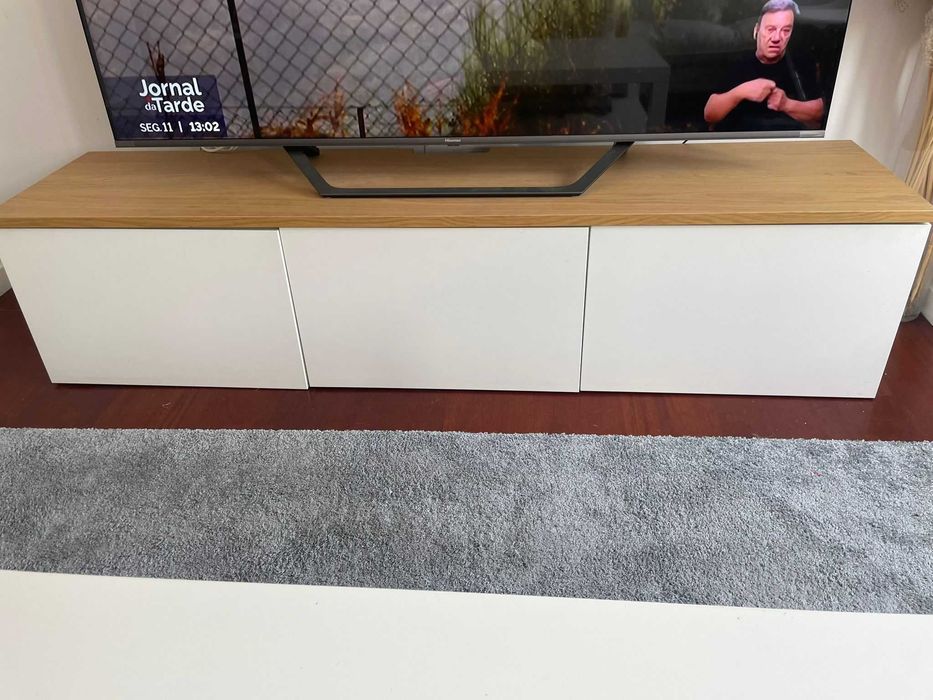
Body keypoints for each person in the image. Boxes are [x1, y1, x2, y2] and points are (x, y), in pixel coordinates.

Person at [704, 0, 824, 132]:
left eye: (785, 30)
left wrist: (786, 104)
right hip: (740, 138)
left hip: (786, 138)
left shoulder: (800, 62)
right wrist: (742, 91)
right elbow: (709, 115)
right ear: (757, 30)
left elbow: (819, 114)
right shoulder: (736, 62)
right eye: (770, 29)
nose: (777, 38)